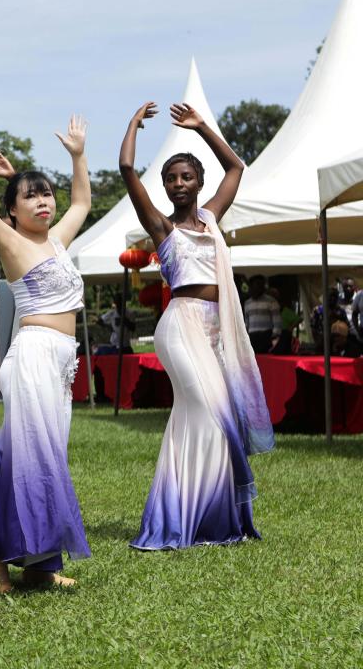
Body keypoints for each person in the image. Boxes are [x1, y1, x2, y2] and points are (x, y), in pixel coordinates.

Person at [119, 101, 274, 551]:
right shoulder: (162, 228)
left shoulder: (210, 219)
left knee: (196, 418)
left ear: (199, 183)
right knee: (210, 412)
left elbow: (236, 166)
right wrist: (132, 125)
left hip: (214, 329)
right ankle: (186, 517)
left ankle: (199, 515)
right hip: (180, 327)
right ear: (165, 186)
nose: (179, 183)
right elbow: (127, 168)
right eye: (171, 178)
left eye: (187, 177)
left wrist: (202, 126)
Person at [0, 102, 92, 593]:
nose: (43, 202)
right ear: (12, 211)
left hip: (60, 361)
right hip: (34, 356)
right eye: (30, 197)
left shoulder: (56, 241)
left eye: (45, 194)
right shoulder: (14, 245)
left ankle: (39, 564)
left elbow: (82, 201)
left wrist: (78, 157)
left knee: (48, 460)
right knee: (26, 460)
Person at [242, 275, 281, 353]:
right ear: (251, 286)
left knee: (265, 359)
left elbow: (277, 321)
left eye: (261, 285)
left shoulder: (271, 301)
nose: (260, 287)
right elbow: (246, 322)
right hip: (252, 336)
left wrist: (275, 336)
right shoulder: (247, 303)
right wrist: (245, 336)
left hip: (266, 335)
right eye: (257, 284)